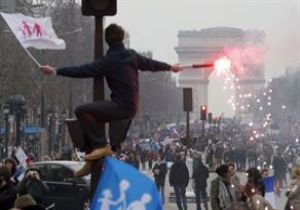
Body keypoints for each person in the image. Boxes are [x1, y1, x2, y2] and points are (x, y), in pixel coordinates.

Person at [39, 23, 182, 177]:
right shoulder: (132, 55)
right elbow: (151, 64)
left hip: (119, 106)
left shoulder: (108, 61)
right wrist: (170, 67)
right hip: (131, 106)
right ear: (123, 38)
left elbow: (82, 70)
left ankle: (101, 145)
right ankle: (90, 160)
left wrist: (55, 71)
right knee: (90, 118)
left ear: (107, 41)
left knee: (81, 111)